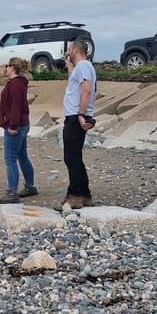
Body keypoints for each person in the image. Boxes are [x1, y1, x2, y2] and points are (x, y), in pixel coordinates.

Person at [61, 37, 96, 210]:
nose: (67, 52)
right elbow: (74, 85)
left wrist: (81, 114)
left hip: (76, 117)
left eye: (69, 49)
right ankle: (85, 194)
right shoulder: (82, 68)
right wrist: (69, 66)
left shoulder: (83, 67)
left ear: (75, 49)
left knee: (71, 157)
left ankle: (75, 195)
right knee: (75, 156)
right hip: (75, 115)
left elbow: (86, 90)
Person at [0, 58, 37, 204]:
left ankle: (12, 192)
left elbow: (15, 106)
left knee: (10, 158)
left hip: (16, 126)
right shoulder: (19, 83)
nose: (6, 68)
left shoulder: (15, 85)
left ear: (13, 67)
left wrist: (12, 125)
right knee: (22, 156)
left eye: (7, 66)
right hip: (23, 124)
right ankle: (30, 186)